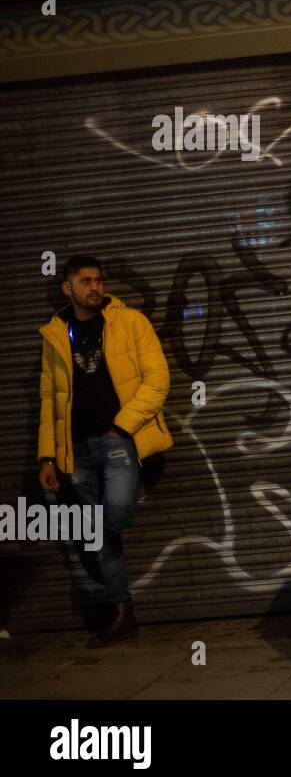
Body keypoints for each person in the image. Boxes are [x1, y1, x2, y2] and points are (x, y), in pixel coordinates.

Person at [38, 256, 173, 647]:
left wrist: (122, 426)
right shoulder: (54, 335)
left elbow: (157, 379)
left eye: (98, 280)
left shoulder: (130, 322)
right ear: (68, 288)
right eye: (85, 281)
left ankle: (101, 534)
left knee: (110, 517)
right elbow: (49, 398)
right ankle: (121, 612)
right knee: (99, 535)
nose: (94, 287)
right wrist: (47, 456)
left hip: (117, 442)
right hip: (75, 449)